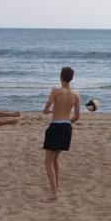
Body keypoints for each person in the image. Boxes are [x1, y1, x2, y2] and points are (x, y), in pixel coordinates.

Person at [42, 66, 80, 201]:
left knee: (48, 161)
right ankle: (56, 187)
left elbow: (46, 109)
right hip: (67, 127)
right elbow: (76, 116)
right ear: (71, 78)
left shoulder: (56, 91)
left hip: (56, 126)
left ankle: (54, 193)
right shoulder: (75, 95)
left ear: (60, 76)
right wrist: (67, 121)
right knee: (55, 159)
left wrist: (50, 111)